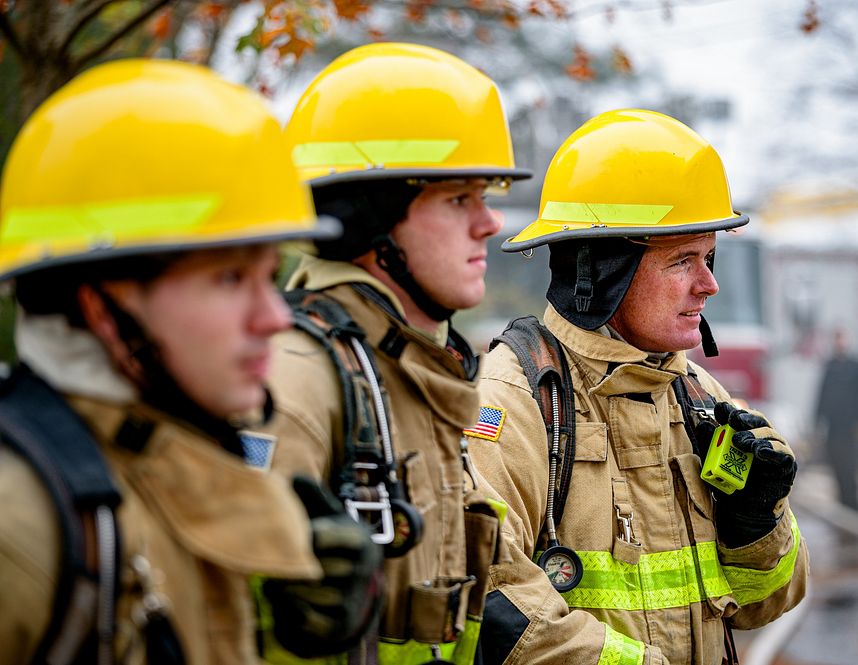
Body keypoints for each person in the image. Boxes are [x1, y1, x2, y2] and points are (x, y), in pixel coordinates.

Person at [0, 59, 381, 665]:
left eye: (268, 276)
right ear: (102, 302)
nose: (275, 317)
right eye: (230, 279)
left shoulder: (187, 463)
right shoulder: (18, 528)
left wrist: (282, 627)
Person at [466, 109, 809, 665]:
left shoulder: (701, 398)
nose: (709, 284)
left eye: (709, 257)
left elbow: (766, 605)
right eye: (682, 261)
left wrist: (757, 524)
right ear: (599, 270)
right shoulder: (512, 403)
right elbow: (492, 603)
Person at [262, 42, 531, 663]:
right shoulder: (297, 384)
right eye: (459, 198)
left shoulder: (413, 372)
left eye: (485, 196)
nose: (489, 223)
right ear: (368, 221)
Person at [814, 328, 858, 511]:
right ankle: (842, 503)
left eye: (842, 338)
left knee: (851, 466)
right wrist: (817, 422)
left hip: (852, 428)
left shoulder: (857, 367)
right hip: (834, 428)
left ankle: (854, 503)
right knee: (836, 465)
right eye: (836, 339)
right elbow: (821, 396)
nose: (839, 343)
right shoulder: (830, 367)